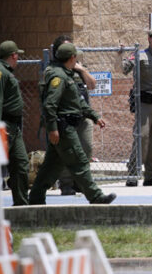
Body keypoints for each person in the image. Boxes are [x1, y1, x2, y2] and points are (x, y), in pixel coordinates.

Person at [29, 43, 116, 205]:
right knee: (80, 161)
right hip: (64, 128)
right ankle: (96, 197)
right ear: (72, 58)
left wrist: (94, 116)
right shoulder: (59, 77)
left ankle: (35, 198)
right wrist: (53, 129)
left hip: (66, 126)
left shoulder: (65, 74)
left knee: (51, 167)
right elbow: (50, 105)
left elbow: (77, 103)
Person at [117, 26, 152, 187]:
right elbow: (124, 69)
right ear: (149, 39)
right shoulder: (139, 55)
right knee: (141, 137)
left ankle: (151, 176)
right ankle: (133, 174)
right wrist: (119, 55)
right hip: (145, 104)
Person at [51, 35, 97, 196]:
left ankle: (79, 182)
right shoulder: (55, 70)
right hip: (66, 117)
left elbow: (92, 85)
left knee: (87, 148)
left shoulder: (78, 67)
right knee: (67, 151)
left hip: (83, 115)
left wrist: (81, 69)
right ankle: (66, 183)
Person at [0, 41, 29, 206]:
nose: (18, 58)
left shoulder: (7, 72)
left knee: (21, 163)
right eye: (17, 55)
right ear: (13, 55)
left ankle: (21, 203)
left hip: (14, 127)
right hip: (4, 125)